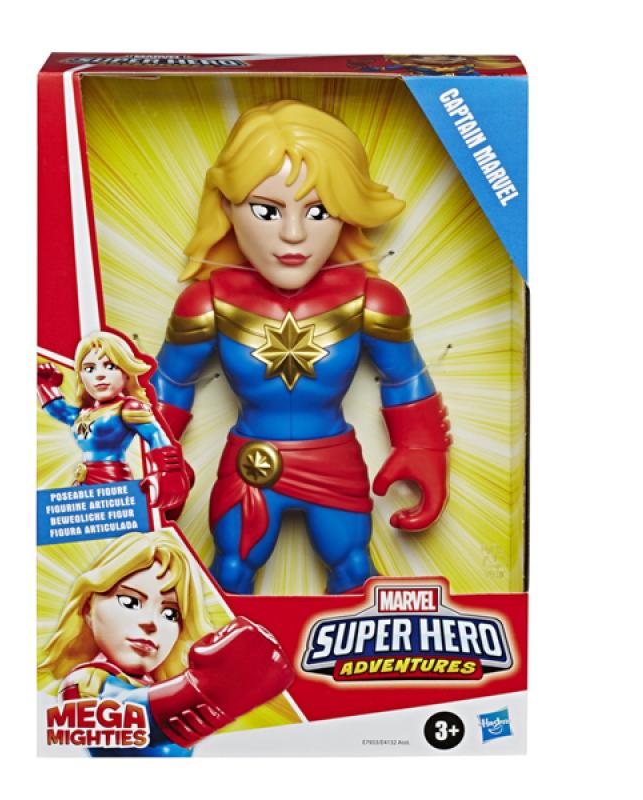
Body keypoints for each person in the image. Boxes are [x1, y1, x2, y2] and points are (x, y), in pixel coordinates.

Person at [151, 100, 451, 595]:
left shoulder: (370, 299)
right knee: (229, 577)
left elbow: (406, 376)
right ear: (226, 207)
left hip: (333, 459)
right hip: (250, 464)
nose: (293, 234)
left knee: (355, 572)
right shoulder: (208, 302)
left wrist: (422, 448)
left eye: (318, 211)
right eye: (267, 211)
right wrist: (153, 459)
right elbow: (168, 383)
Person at [39, 531, 293, 757]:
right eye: (130, 602)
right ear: (88, 608)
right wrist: (207, 687)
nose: (151, 623)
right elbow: (126, 715)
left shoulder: (150, 684)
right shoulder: (86, 682)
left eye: (170, 614)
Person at [37, 331, 188, 511]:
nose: (99, 375)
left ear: (126, 371)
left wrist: (167, 473)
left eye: (109, 366)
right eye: (90, 369)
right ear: (81, 376)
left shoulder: (129, 407)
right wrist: (44, 384)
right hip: (83, 482)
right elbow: (61, 411)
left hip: (113, 481)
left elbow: (155, 435)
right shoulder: (85, 413)